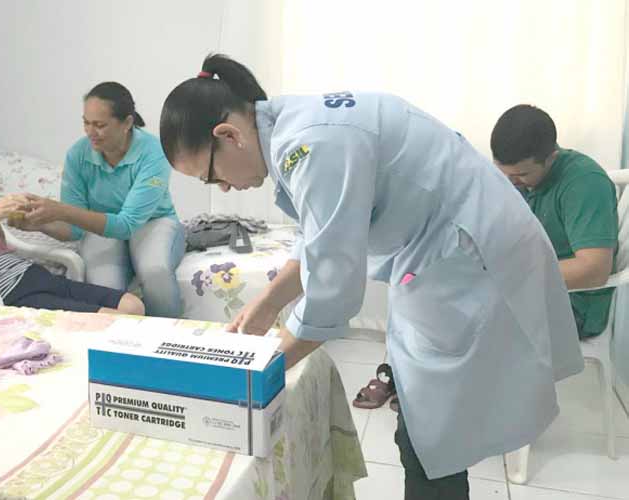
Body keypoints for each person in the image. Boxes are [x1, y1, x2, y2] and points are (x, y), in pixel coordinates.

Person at [159, 54, 583, 499]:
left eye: (211, 175)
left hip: (471, 257)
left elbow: (333, 289)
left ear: (229, 136)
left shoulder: (308, 145)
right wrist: (264, 305)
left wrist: (251, 378)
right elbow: (318, 237)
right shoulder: (290, 127)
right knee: (425, 426)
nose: (222, 188)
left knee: (430, 435)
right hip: (446, 251)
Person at [0, 128, 144, 316]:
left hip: (32, 276)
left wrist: (3, 222)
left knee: (133, 305)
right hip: (8, 295)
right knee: (118, 320)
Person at [22, 82, 185, 318]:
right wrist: (40, 223)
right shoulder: (78, 154)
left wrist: (60, 210)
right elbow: (76, 230)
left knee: (155, 270)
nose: (90, 132)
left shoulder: (154, 152)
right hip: (100, 229)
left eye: (99, 125)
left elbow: (126, 224)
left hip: (152, 222)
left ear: (127, 123)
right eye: (86, 123)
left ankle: (169, 337)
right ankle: (119, 345)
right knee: (104, 288)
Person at [491, 104, 619, 338]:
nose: (511, 182)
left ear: (551, 158)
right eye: (504, 173)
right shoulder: (518, 180)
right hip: (529, 289)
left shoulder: (584, 183)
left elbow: (594, 269)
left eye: (522, 175)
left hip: (574, 305)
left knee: (472, 330)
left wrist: (513, 275)